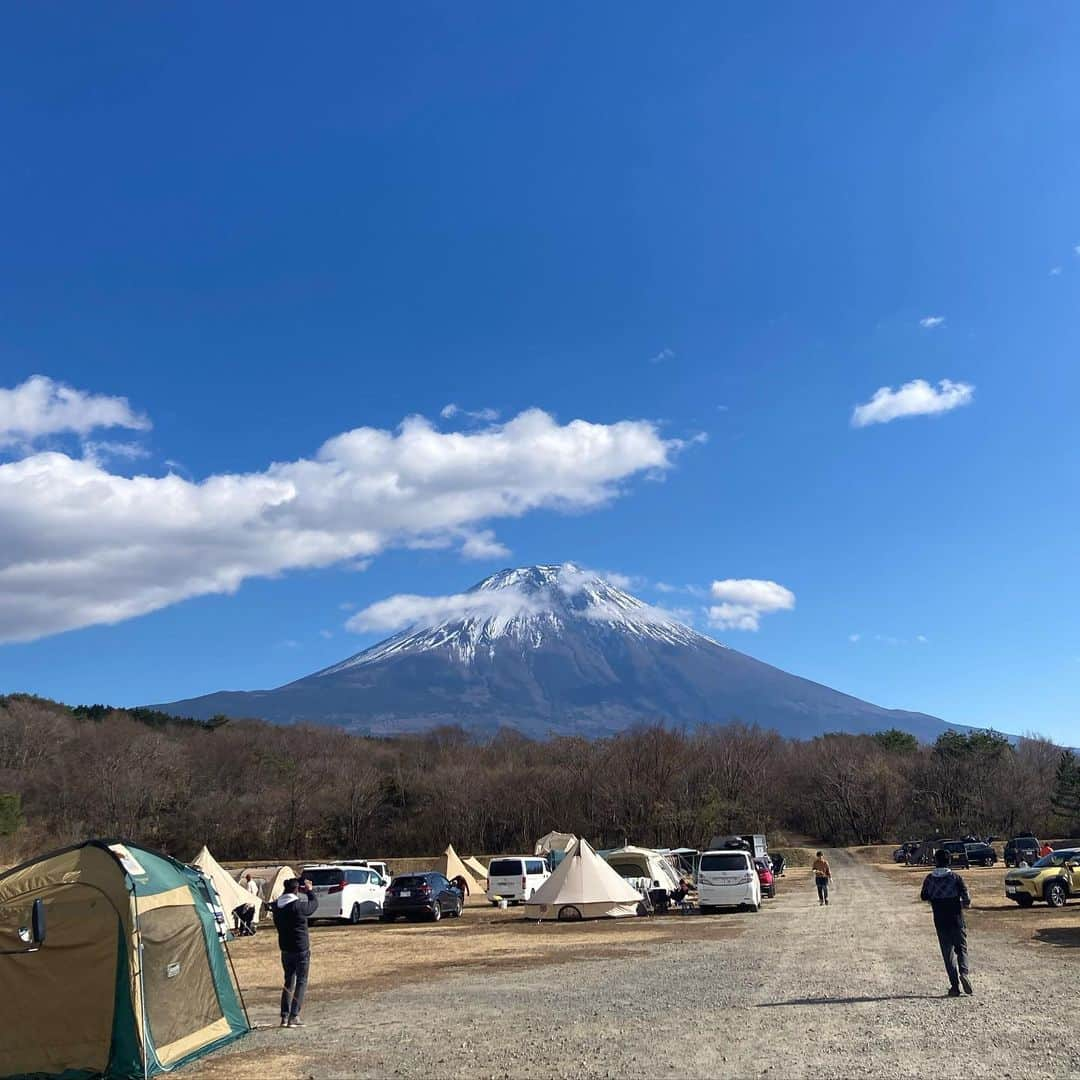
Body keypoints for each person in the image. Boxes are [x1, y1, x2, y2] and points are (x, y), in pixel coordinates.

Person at [920, 848, 973, 997]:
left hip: (940, 920)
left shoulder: (929, 879)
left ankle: (954, 986)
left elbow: (923, 896)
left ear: (935, 861)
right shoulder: (956, 878)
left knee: (947, 953)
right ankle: (964, 972)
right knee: (962, 948)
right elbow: (967, 898)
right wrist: (963, 904)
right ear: (949, 861)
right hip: (956, 918)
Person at [273, 877, 318, 1027]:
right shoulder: (297, 906)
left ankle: (284, 1016)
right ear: (296, 890)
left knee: (288, 981)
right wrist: (310, 892)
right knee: (301, 981)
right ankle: (294, 1015)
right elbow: (313, 906)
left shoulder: (277, 906)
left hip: (285, 948)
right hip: (300, 948)